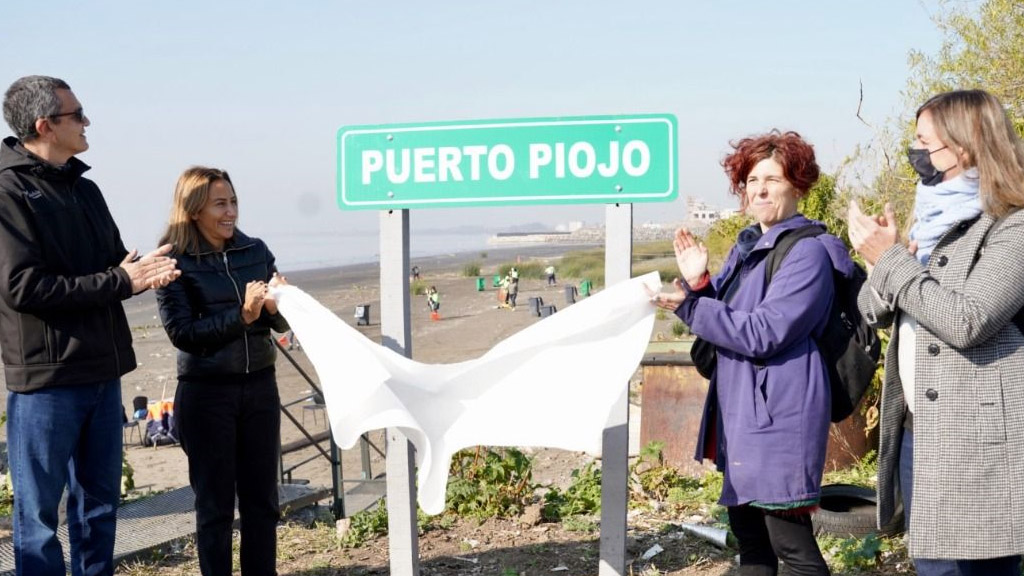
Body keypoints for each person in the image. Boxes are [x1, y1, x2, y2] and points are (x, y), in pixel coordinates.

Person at [0, 75, 180, 576]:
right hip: (46, 380)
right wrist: (120, 279)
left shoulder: (86, 189)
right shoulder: (6, 192)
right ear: (44, 125)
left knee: (98, 508)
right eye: (77, 115)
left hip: (102, 370)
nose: (86, 123)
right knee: (37, 517)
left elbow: (109, 266)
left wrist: (143, 272)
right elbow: (23, 287)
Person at [652, 130, 849, 575]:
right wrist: (700, 284)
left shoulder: (808, 255)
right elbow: (721, 325)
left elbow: (764, 332)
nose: (759, 189)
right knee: (751, 542)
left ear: (797, 186)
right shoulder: (747, 250)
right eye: (751, 180)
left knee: (792, 547)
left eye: (773, 180)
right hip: (740, 413)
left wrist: (690, 304)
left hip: (780, 416)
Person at [848, 89, 1024, 575]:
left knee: (973, 568)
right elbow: (873, 310)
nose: (917, 153)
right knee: (933, 566)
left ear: (965, 146)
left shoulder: (1012, 224)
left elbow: (968, 321)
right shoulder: (930, 215)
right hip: (917, 430)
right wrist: (885, 265)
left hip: (976, 439)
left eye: (926, 142)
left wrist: (891, 261)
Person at [155, 166, 289, 576]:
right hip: (207, 394)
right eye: (220, 204)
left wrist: (274, 309)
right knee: (214, 508)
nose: (230, 212)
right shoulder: (172, 259)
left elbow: (281, 325)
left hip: (260, 388)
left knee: (262, 503)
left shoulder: (255, 250)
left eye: (233, 202)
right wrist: (244, 315)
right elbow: (183, 333)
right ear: (194, 210)